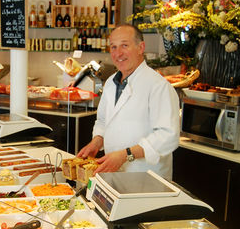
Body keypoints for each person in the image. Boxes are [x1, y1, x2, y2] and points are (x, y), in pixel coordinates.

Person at [77, 24, 180, 179]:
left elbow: (168, 136)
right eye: (113, 47)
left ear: (141, 47)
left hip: (146, 178)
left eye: (124, 45)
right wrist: (97, 142)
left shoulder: (159, 86)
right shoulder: (111, 82)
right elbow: (104, 121)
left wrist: (126, 155)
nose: (118, 53)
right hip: (113, 172)